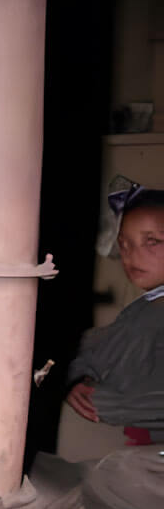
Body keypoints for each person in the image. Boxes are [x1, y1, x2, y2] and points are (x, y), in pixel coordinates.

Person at [65, 186, 164, 444]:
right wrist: (76, 378)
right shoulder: (143, 308)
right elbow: (93, 347)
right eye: (124, 244)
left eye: (151, 241)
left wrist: (103, 402)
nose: (132, 255)